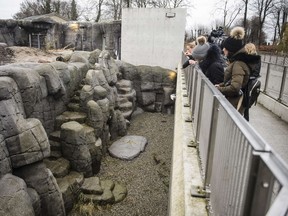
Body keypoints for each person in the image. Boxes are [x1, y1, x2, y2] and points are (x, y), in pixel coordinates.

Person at [215, 26, 260, 115]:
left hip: (233, 104)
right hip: (233, 103)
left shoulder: (238, 64)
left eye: (225, 48)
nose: (223, 49)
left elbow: (235, 88)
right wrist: (221, 85)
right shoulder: (237, 62)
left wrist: (219, 89)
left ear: (231, 50)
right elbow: (232, 81)